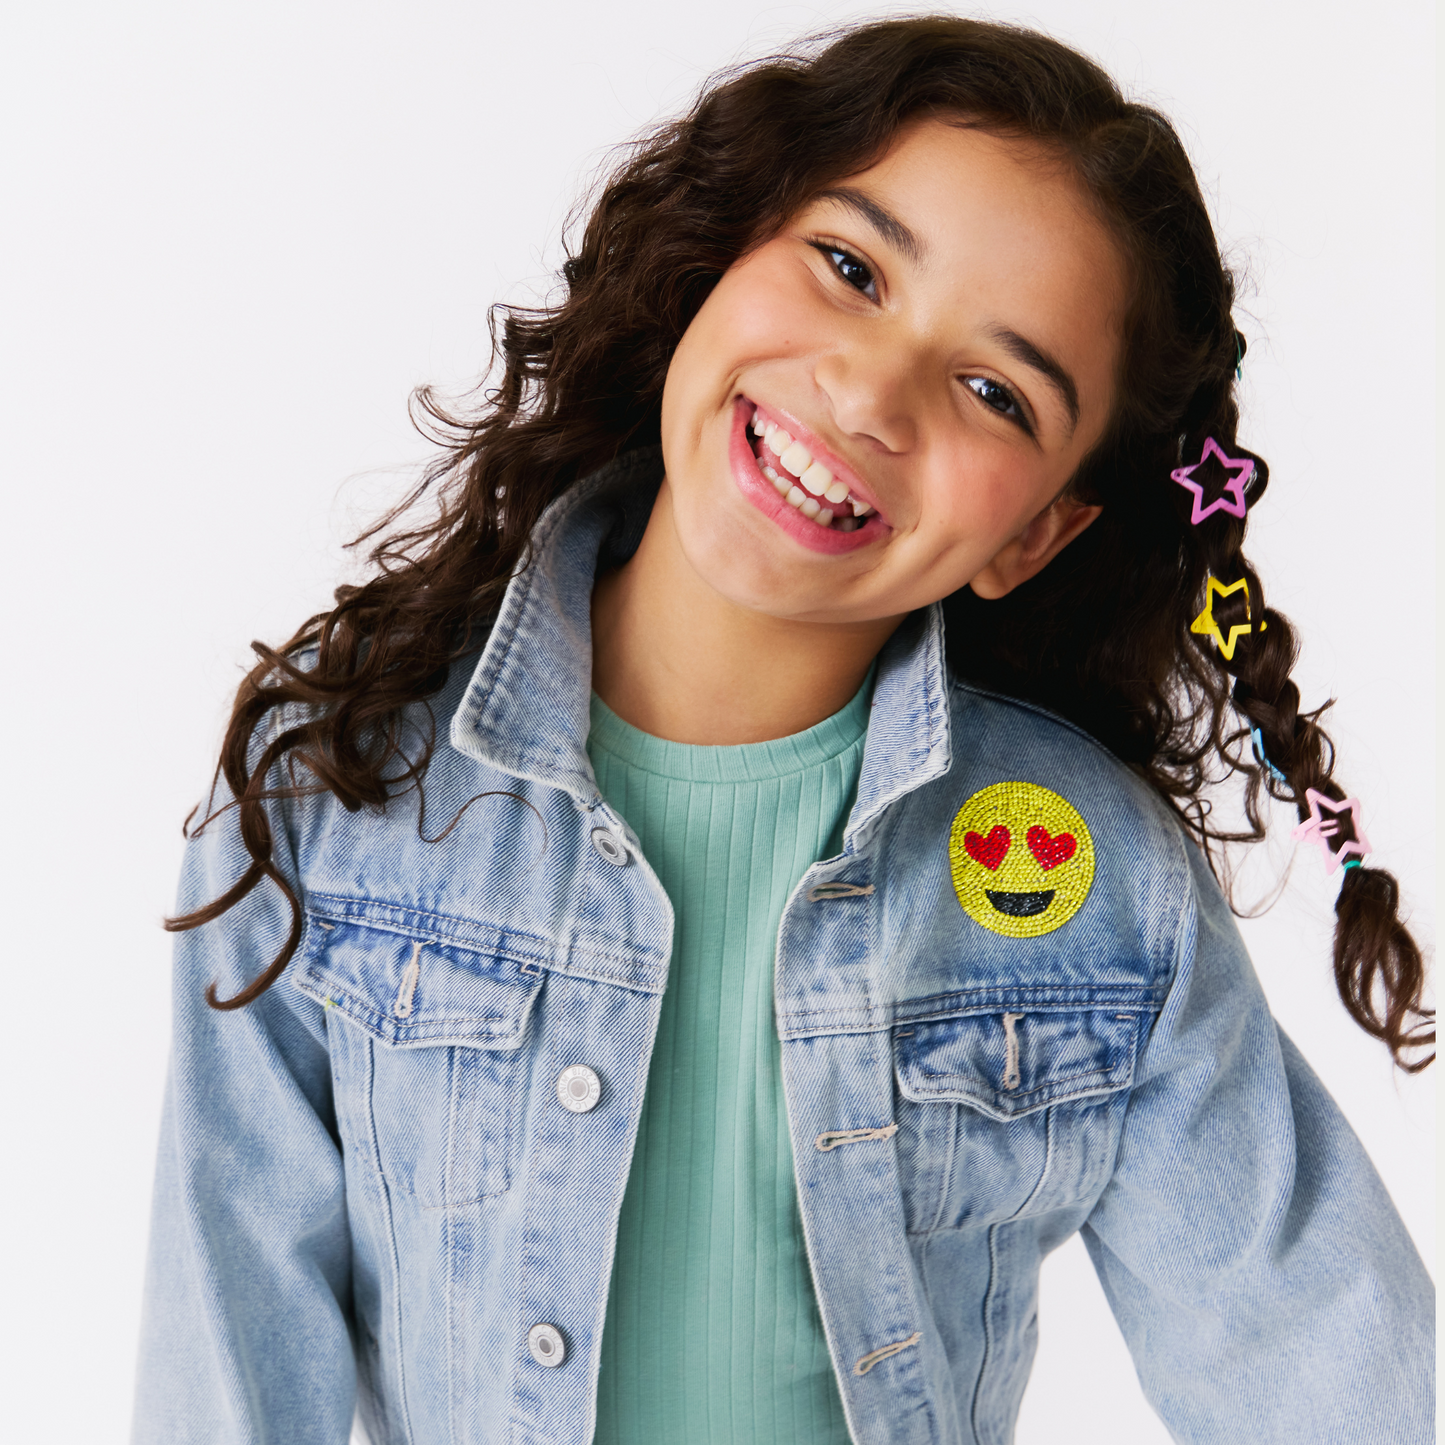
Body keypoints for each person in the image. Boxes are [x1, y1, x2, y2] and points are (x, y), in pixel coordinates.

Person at [132, 15, 1434, 1445]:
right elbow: (225, 1385)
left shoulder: (1102, 891)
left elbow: (1335, 1379)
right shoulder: (337, 787)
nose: (868, 394)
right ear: (725, 249)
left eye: (994, 392)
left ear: (1037, 534)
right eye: (852, 269)